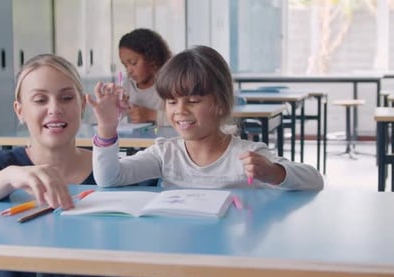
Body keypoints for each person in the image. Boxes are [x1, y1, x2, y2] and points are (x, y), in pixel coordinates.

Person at [0, 54, 141, 277]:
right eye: (40, 100)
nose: (55, 109)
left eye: (66, 98)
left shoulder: (114, 170)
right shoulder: (4, 166)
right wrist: (11, 176)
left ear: (83, 104)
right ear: (19, 110)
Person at [87, 45, 324, 190]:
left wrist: (274, 173)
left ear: (220, 104)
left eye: (193, 101)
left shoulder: (246, 155)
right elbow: (109, 179)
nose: (180, 110)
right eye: (171, 101)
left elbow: (315, 180)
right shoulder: (164, 154)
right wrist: (107, 127)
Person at [118, 28, 172, 126]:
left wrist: (151, 115)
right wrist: (115, 107)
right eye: (125, 65)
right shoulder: (128, 87)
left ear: (152, 59)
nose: (129, 71)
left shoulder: (170, 86)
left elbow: (185, 118)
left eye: (133, 63)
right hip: (137, 141)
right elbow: (103, 121)